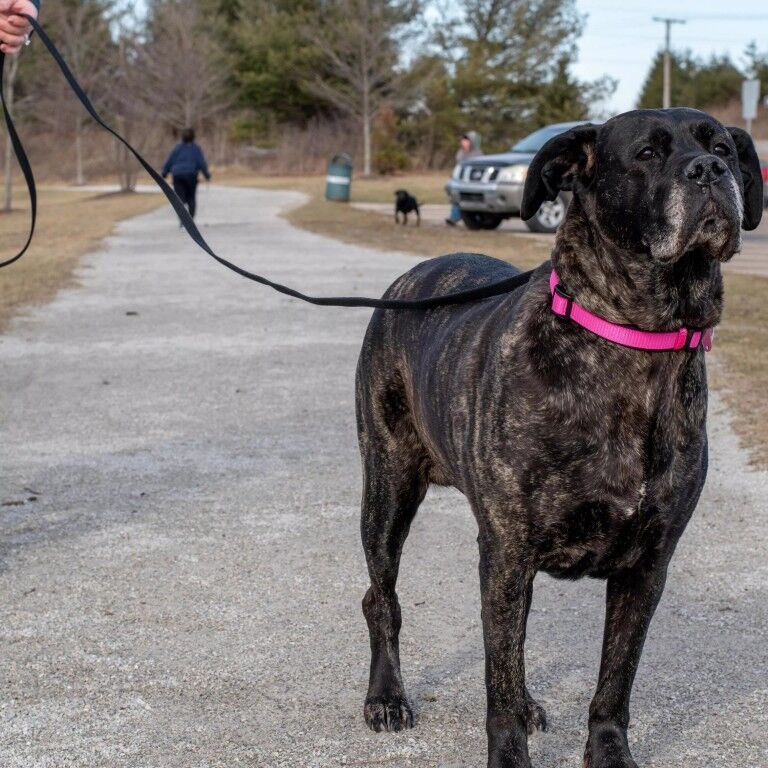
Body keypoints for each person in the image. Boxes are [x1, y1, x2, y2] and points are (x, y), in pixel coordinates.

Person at [162, 128, 211, 221]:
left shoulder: (177, 148)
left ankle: (183, 221)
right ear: (193, 137)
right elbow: (201, 162)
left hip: (178, 175)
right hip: (191, 175)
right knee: (191, 198)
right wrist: (206, 175)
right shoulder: (196, 148)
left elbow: (169, 161)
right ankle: (190, 221)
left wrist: (164, 172)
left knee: (180, 200)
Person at [446, 131, 481, 227]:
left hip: (473, 182)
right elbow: (459, 165)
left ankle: (457, 217)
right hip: (461, 180)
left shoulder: (478, 153)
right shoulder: (460, 152)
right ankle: (454, 217)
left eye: (467, 141)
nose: (464, 142)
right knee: (456, 197)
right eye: (463, 140)